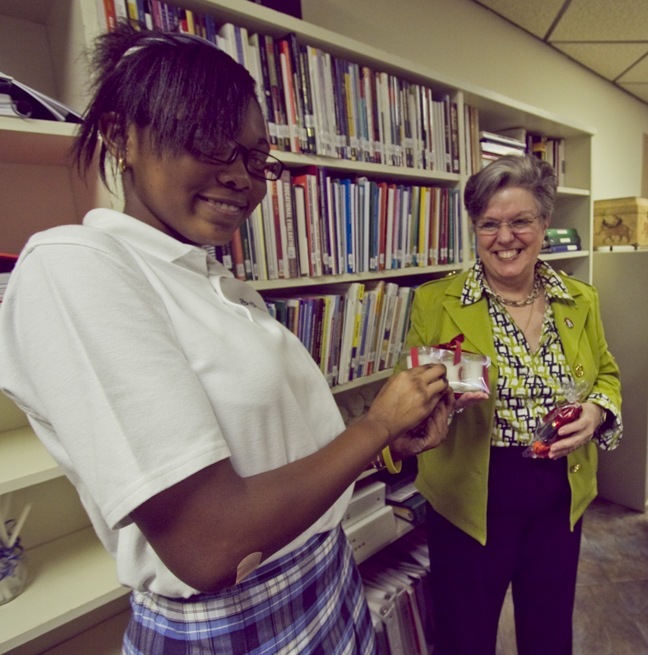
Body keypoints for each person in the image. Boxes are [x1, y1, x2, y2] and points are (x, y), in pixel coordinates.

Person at [0, 23, 454, 654]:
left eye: (256, 158)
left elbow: (276, 459)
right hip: (237, 627)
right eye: (210, 144)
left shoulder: (221, 284)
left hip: (325, 584)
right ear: (118, 134)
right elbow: (209, 544)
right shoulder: (75, 265)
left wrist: (386, 447)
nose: (242, 177)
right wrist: (373, 426)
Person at [403, 154, 623, 655]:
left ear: (544, 224)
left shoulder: (580, 299)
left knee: (548, 634)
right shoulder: (437, 302)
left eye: (520, 221)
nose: (506, 237)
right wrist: (435, 401)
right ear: (475, 230)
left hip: (559, 492)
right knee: (466, 636)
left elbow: (606, 375)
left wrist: (595, 412)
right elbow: (408, 393)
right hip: (469, 493)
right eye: (489, 224)